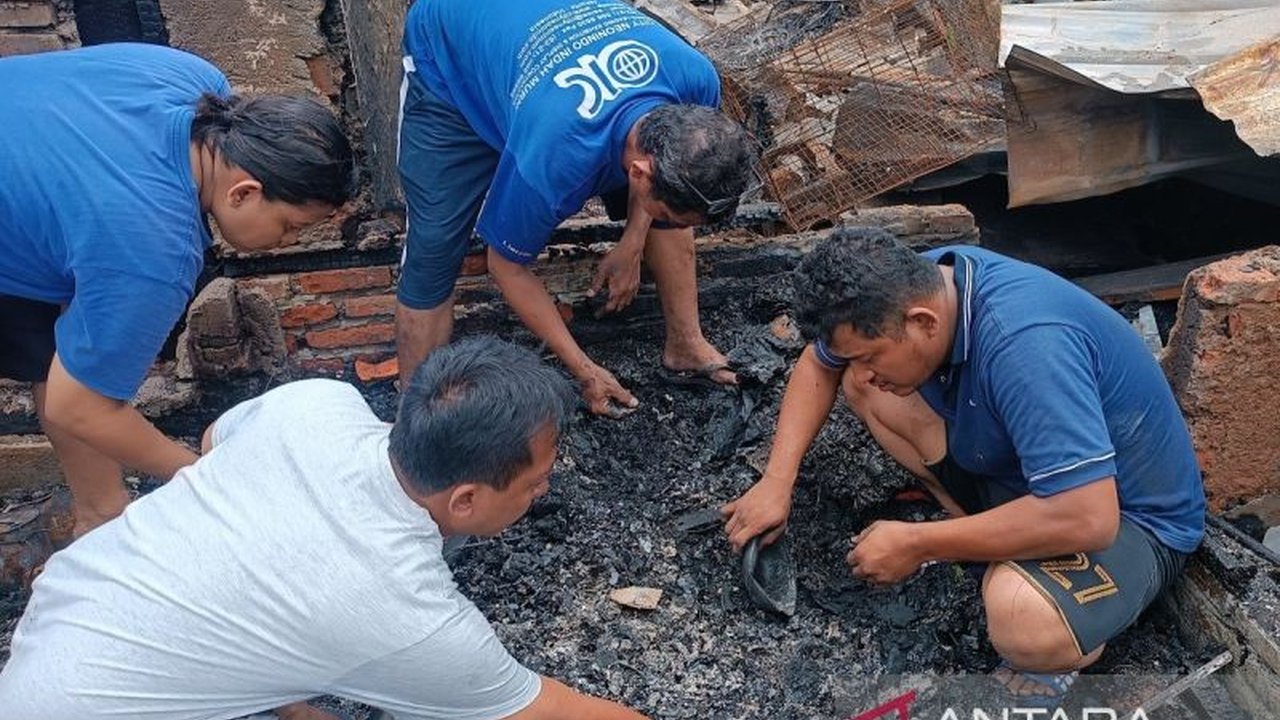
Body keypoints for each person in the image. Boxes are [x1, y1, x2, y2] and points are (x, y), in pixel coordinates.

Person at [0, 336, 649, 720]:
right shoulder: (409, 617)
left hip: (66, 614)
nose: (543, 493)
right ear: (466, 499)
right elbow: (553, 712)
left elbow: (213, 446)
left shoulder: (314, 403)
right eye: (534, 485)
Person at [722, 228, 1205, 705]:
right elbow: (819, 363)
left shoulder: (1027, 342)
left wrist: (918, 543)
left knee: (1021, 617)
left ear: (923, 323)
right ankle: (985, 537)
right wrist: (776, 480)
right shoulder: (916, 283)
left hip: (1129, 520)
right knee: (862, 385)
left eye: (871, 355)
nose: (865, 368)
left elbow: (1088, 517)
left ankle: (1068, 642)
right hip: (1025, 474)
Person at [0, 42, 354, 537]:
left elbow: (78, 370)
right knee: (83, 394)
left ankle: (100, 513)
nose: (286, 243)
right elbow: (77, 405)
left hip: (24, 182)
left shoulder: (194, 79)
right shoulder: (154, 252)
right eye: (290, 226)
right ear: (244, 192)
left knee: (74, 359)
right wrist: (205, 478)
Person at [396, 0, 756, 417]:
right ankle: (414, 421)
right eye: (669, 219)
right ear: (638, 173)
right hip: (450, 54)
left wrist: (632, 243)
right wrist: (585, 370)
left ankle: (686, 345)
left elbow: (664, 192)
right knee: (435, 246)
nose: (670, 225)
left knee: (674, 201)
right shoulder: (555, 157)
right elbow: (506, 266)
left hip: (537, 47)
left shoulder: (696, 84)